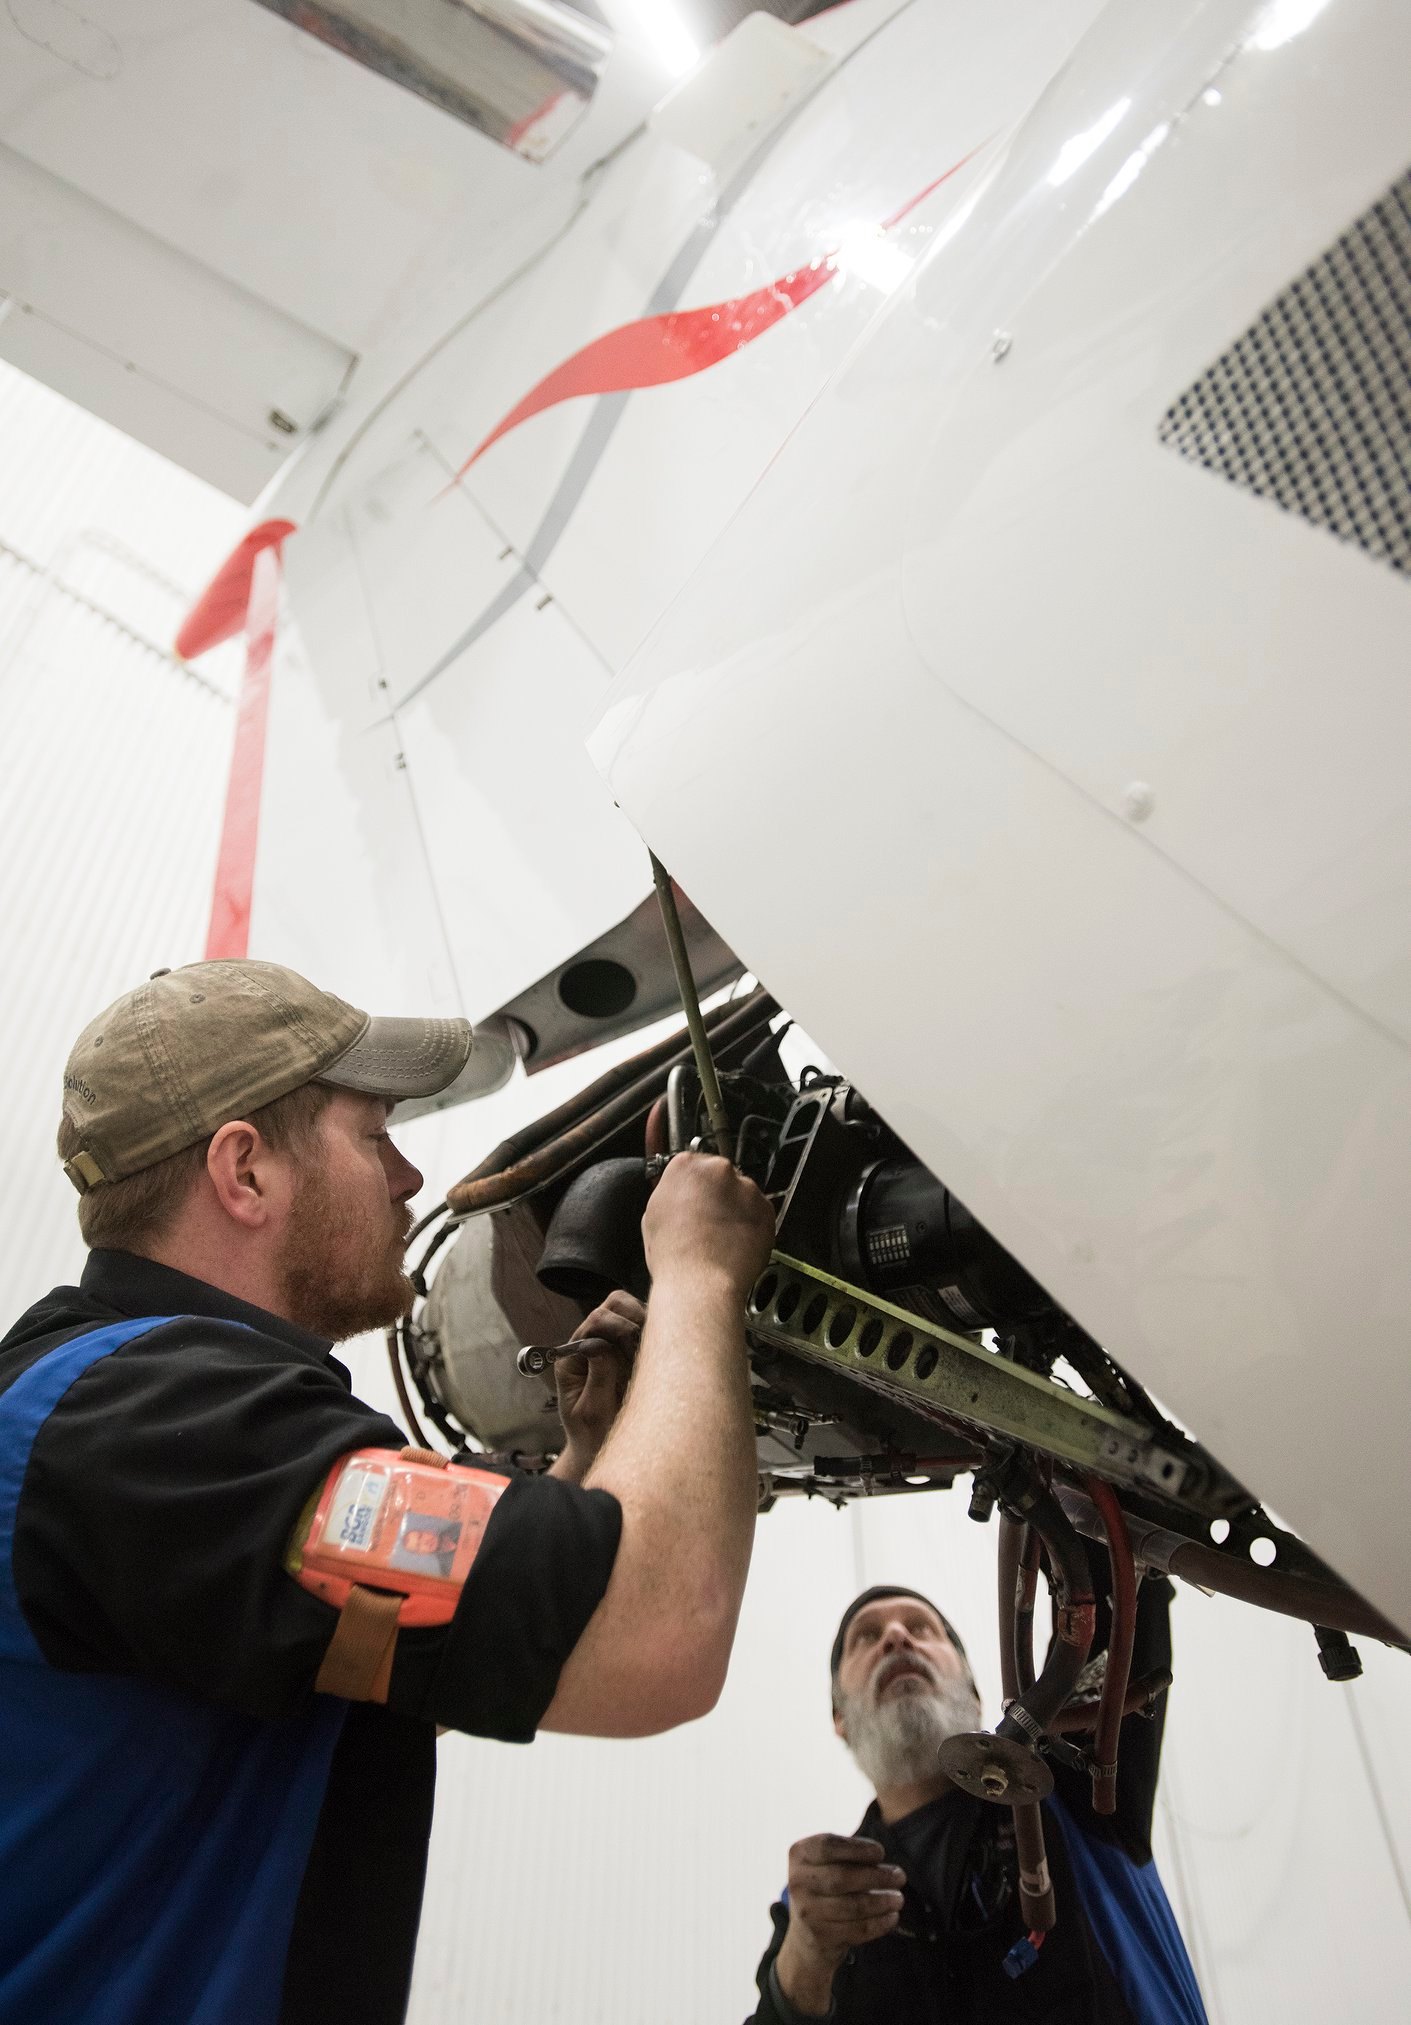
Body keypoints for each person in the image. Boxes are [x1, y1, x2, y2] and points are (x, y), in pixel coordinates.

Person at [0, 958, 774, 2024]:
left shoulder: (112, 1411)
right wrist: (698, 1276)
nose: (409, 1178)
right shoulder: (148, 1425)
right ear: (246, 1173)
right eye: (374, 1137)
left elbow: (373, 1662)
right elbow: (654, 1635)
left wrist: (585, 1463)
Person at [748, 1581, 1206, 2025]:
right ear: (839, 1718)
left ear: (973, 1691)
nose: (896, 1637)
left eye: (922, 1628)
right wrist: (804, 1962)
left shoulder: (1064, 1780)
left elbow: (1114, 1595)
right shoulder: (816, 1900)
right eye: (866, 1636)